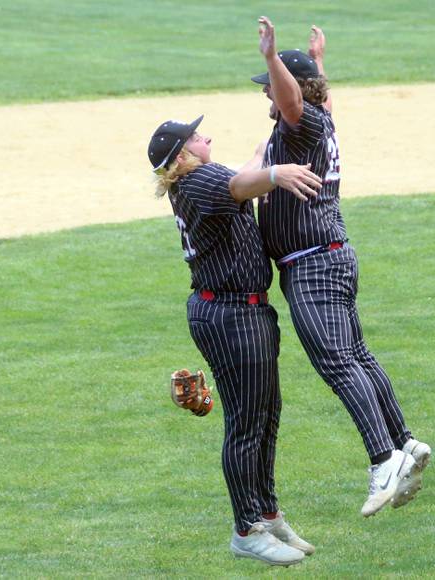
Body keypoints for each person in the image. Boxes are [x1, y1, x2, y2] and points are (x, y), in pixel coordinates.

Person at [251, 17, 432, 517]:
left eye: (268, 87)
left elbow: (294, 102)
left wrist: (272, 60)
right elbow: (316, 98)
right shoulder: (320, 119)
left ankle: (384, 459)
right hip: (331, 257)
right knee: (356, 355)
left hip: (312, 265)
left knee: (337, 363)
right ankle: (405, 441)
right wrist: (319, 63)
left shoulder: (301, 119)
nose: (267, 96)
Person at [148, 115, 322, 565]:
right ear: (182, 154)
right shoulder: (198, 180)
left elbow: (246, 173)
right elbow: (248, 185)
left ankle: (267, 512)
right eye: (196, 135)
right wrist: (277, 174)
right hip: (229, 313)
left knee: (266, 414)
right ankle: (246, 529)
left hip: (241, 310)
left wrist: (277, 134)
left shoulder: (198, 179)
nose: (206, 137)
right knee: (247, 422)